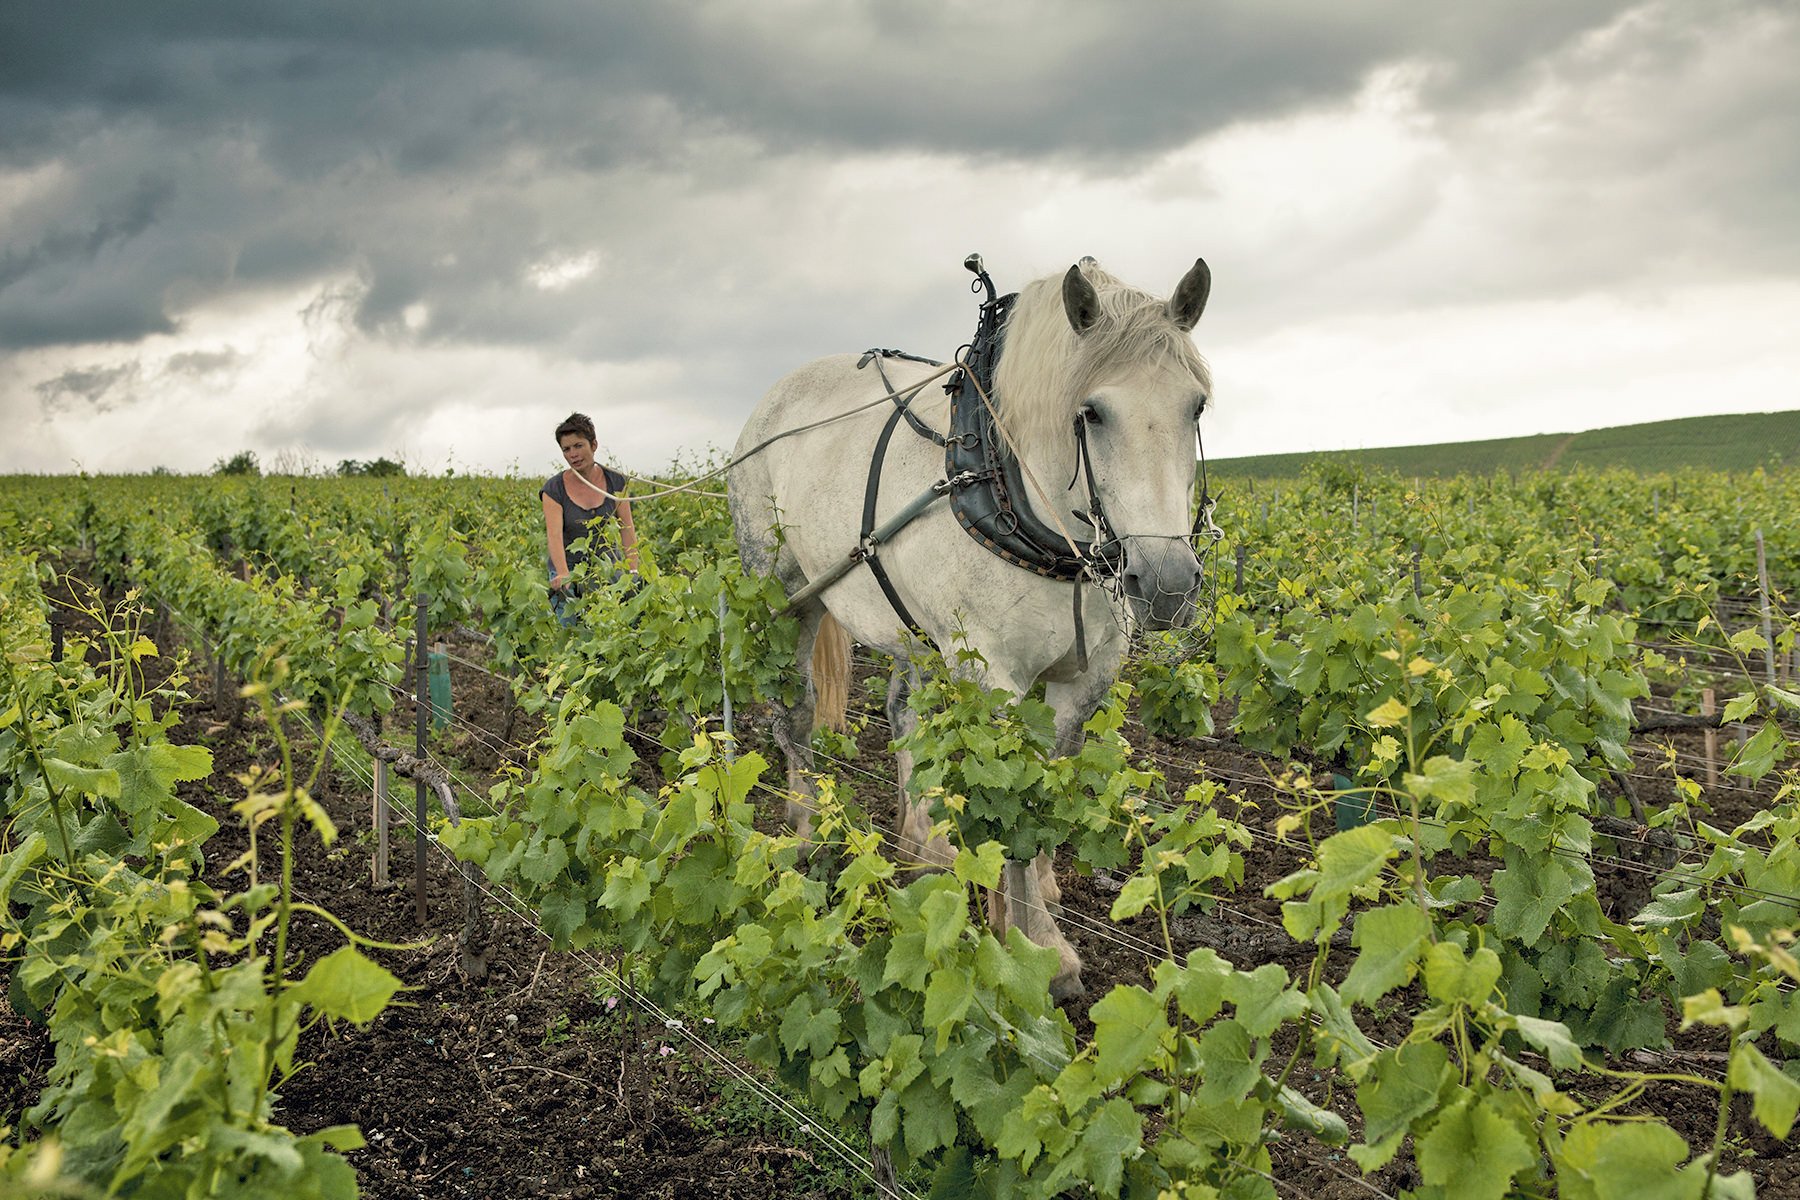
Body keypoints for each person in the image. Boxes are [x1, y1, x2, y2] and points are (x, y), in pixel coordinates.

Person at [541, 412, 639, 625]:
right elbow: (554, 536)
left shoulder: (616, 482)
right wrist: (564, 575)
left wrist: (633, 569)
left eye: (578, 446)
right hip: (570, 571)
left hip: (607, 569)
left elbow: (626, 528)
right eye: (566, 449)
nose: (573, 454)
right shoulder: (554, 489)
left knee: (618, 629)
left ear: (593, 445)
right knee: (573, 634)